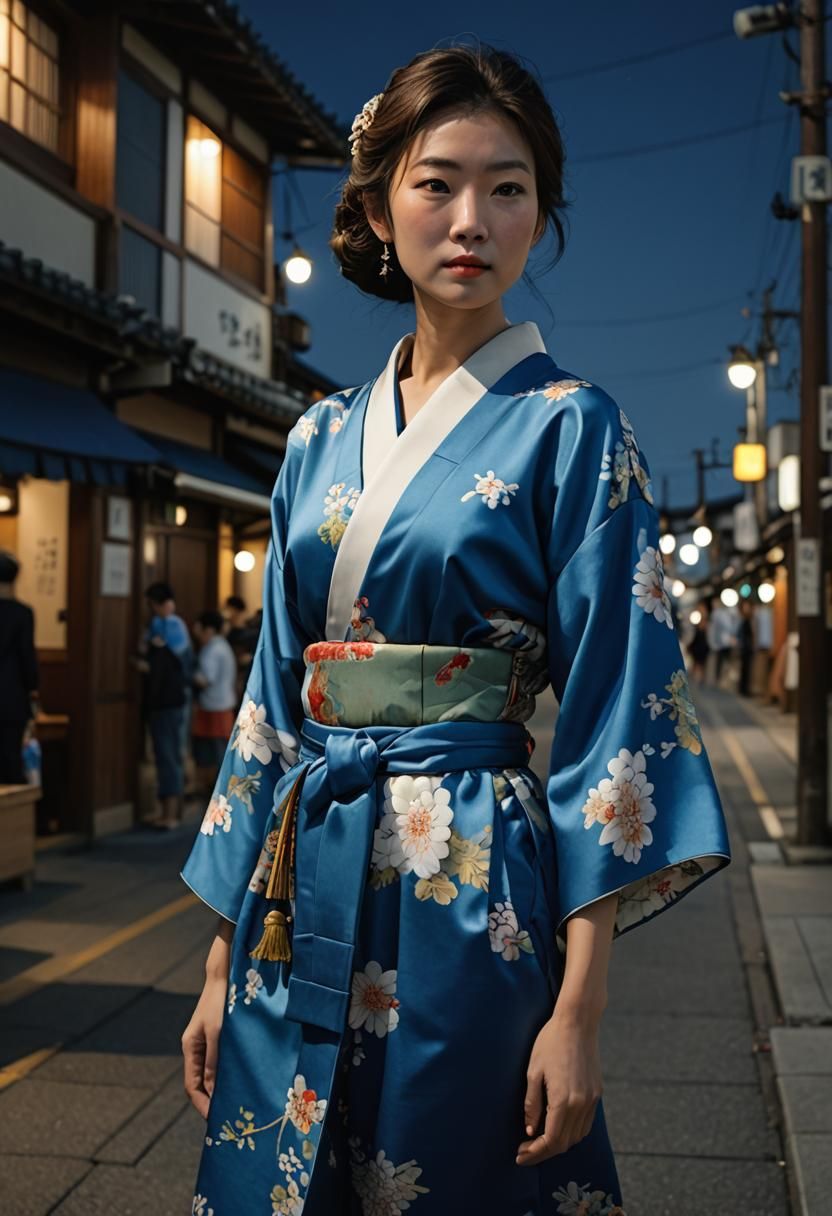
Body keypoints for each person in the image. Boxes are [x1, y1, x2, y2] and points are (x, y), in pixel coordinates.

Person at [179, 44, 731, 1215]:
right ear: (380, 206)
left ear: (542, 211)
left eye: (508, 185)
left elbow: (612, 727)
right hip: (301, 872)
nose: (469, 218)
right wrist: (223, 955)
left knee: (459, 1173)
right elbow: (277, 702)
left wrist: (577, 1013)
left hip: (468, 873)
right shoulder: (316, 437)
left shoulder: (572, 430)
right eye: (435, 183)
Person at [134, 582, 194, 828]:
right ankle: (170, 812)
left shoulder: (171, 626)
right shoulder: (168, 625)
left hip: (167, 700)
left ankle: (170, 814)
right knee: (168, 754)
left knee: (167, 755)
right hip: (172, 699)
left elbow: (165, 666)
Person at [0, 550, 39, 785]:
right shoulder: (22, 613)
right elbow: (27, 657)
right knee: (11, 759)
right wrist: (33, 688)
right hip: (13, 696)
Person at [191, 610, 238, 796]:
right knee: (219, 752)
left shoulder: (212, 649)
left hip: (214, 706)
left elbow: (205, 679)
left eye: (199, 629)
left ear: (208, 629)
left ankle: (218, 793)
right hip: (222, 704)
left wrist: (186, 675)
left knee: (216, 754)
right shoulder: (223, 646)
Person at [686, 601, 710, 685]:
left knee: (701, 663)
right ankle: (692, 680)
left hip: (703, 644)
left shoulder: (706, 621)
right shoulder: (695, 617)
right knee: (695, 662)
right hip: (696, 643)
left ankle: (700, 680)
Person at [737, 600, 755, 697]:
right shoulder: (743, 620)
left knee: (746, 669)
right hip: (745, 648)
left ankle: (744, 689)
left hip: (747, 648)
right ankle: (743, 689)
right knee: (745, 669)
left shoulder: (748, 619)